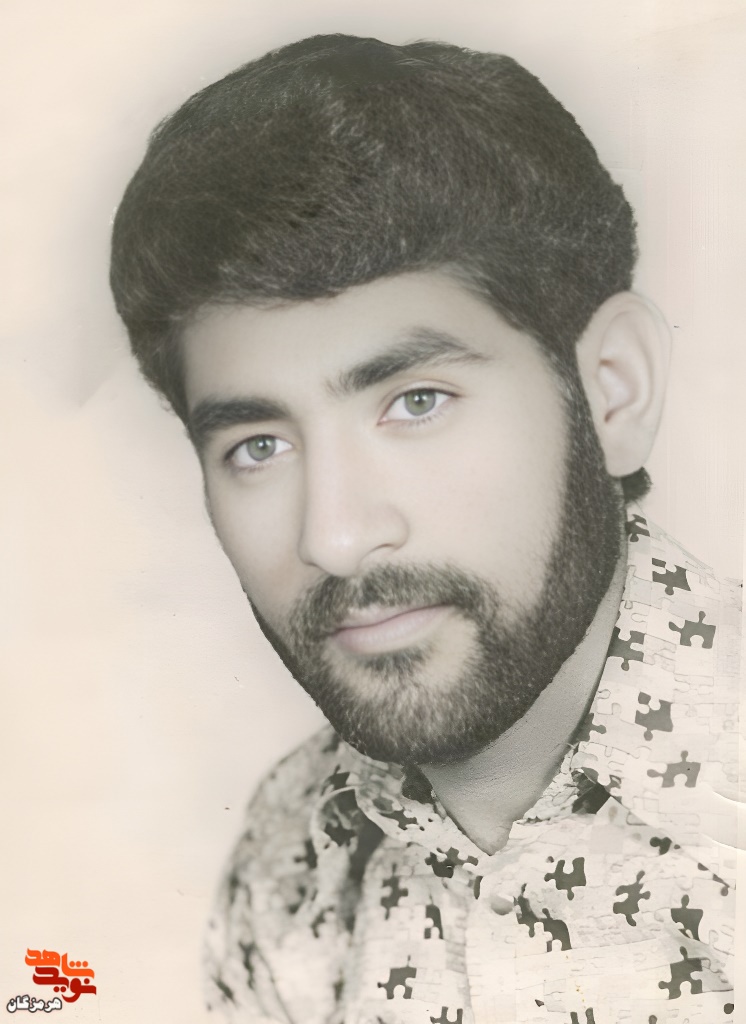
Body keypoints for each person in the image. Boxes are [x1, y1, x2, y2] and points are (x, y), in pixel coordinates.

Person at [109, 33, 740, 1024]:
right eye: (258, 446)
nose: (335, 537)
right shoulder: (286, 859)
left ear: (612, 391)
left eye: (416, 402)